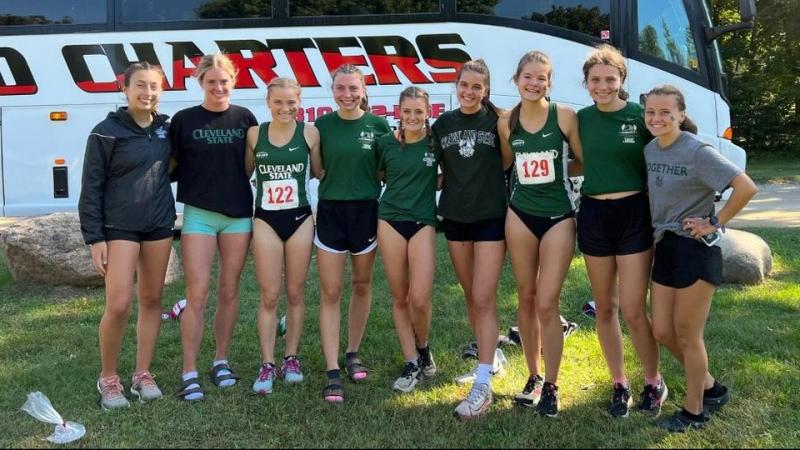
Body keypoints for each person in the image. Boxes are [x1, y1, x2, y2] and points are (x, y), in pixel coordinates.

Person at [642, 85, 756, 432]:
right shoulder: (649, 149)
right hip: (664, 245)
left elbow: (746, 186)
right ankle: (711, 387)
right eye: (651, 112)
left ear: (680, 114)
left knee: (689, 335)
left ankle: (694, 412)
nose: (657, 118)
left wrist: (714, 222)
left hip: (695, 247)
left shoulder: (696, 150)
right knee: (662, 330)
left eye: (665, 112)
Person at [79, 62, 175, 409]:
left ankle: (142, 374)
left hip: (159, 224)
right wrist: (95, 238)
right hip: (119, 227)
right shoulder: (105, 131)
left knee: (151, 301)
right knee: (119, 304)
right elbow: (91, 187)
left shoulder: (167, 129)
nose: (147, 93)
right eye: (141, 86)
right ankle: (108, 378)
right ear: (126, 89)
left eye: (154, 87)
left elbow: (177, 168)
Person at [576, 44, 665, 417]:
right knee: (605, 309)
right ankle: (619, 383)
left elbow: (671, 147)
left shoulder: (638, 116)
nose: (603, 85)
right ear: (587, 83)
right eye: (595, 80)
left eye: (610, 79)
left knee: (632, 309)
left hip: (633, 213)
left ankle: (652, 381)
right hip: (594, 212)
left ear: (622, 80)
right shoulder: (579, 119)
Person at [498, 51, 582, 418]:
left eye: (541, 78)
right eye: (528, 77)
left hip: (559, 216)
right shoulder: (506, 121)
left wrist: (558, 167)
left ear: (550, 82)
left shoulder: (564, 116)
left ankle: (552, 383)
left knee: (547, 303)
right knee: (526, 297)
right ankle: (532, 376)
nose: (534, 84)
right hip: (519, 215)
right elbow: (506, 164)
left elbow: (581, 159)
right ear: (516, 80)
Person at [171, 53, 258, 401]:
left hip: (238, 214)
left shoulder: (245, 118)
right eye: (211, 82)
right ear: (200, 83)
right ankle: (189, 370)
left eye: (224, 81)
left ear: (233, 81)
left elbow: (251, 165)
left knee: (230, 291)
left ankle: (221, 360)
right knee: (197, 294)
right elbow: (171, 164)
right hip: (200, 215)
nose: (218, 87)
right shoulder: (184, 120)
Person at [432, 59, 507, 420]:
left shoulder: (498, 122)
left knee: (483, 295)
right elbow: (432, 165)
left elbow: (511, 160)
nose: (469, 92)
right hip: (456, 218)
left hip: (491, 216)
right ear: (456, 85)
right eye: (464, 85)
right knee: (469, 294)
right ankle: (491, 354)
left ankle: (482, 382)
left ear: (486, 90)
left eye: (477, 87)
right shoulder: (442, 124)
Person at [313, 64, 391, 402]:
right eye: (340, 88)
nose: (347, 95)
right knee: (331, 291)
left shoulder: (379, 125)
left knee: (362, 284)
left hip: (365, 211)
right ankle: (332, 369)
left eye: (353, 89)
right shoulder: (321, 126)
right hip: (331, 212)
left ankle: (352, 351)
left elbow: (386, 170)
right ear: (332, 91)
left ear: (363, 90)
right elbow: (317, 169)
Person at [244, 77, 322, 395]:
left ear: (299, 102)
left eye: (291, 102)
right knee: (269, 295)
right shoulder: (254, 134)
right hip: (266, 219)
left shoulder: (309, 132)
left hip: (300, 218)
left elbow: (318, 172)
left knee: (295, 292)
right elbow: (245, 172)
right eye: (278, 102)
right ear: (268, 102)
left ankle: (291, 358)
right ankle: (267, 363)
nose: (285, 108)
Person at [374, 86, 439, 393]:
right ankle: (411, 360)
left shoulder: (434, 143)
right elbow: (379, 174)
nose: (412, 117)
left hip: (423, 221)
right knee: (400, 297)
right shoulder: (386, 143)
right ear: (398, 112)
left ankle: (423, 345)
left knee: (420, 297)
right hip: (390, 220)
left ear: (427, 114)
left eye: (419, 111)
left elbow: (449, 174)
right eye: (407, 111)